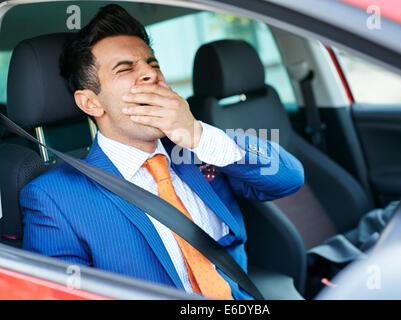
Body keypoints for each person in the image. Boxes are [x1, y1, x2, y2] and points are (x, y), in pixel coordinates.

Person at [20, 4, 304, 300]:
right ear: (91, 103)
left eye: (152, 64)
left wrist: (197, 136)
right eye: (126, 68)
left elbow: (289, 178)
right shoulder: (53, 197)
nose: (150, 75)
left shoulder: (200, 150)